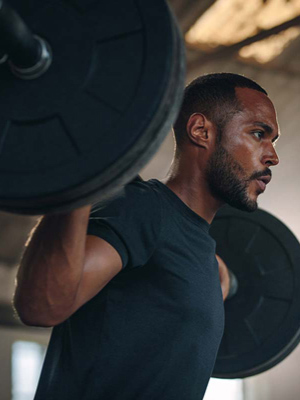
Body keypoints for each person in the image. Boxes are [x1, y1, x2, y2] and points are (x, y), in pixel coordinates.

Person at [13, 73, 280, 400]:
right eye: (258, 134)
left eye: (273, 141)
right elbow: (41, 305)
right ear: (201, 131)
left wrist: (219, 275)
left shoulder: (204, 254)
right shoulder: (142, 209)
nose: (272, 157)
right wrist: (82, 167)